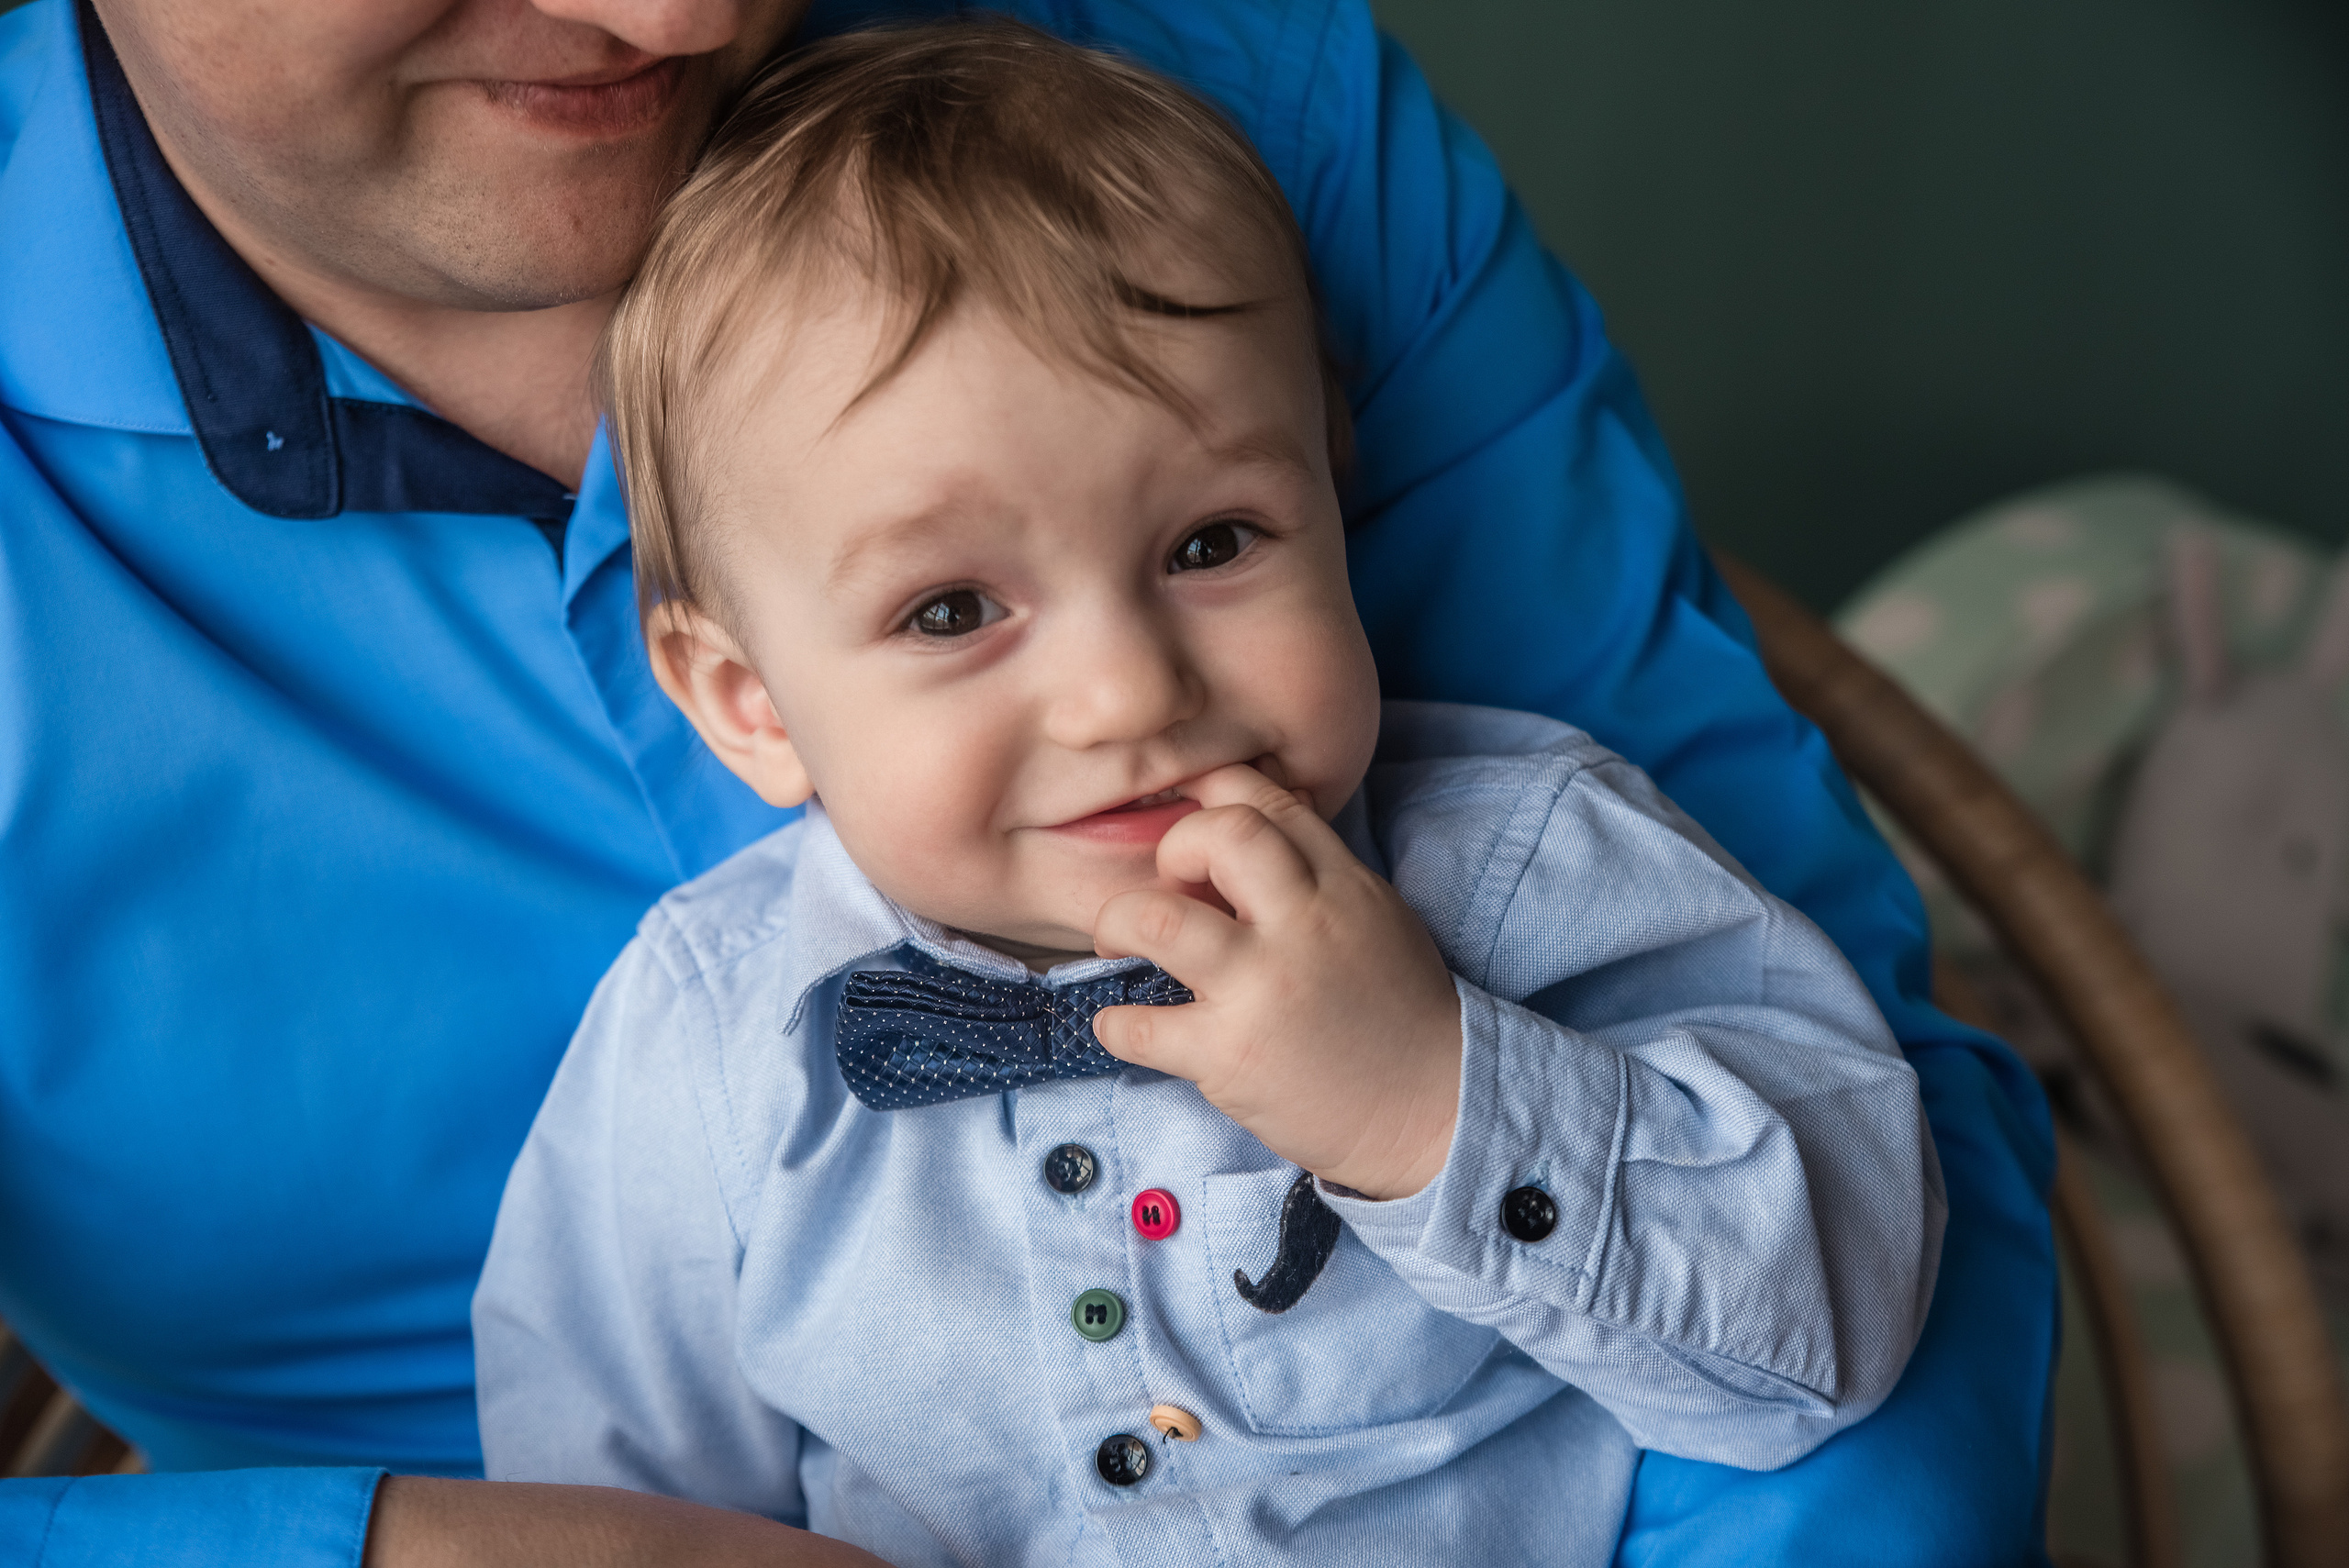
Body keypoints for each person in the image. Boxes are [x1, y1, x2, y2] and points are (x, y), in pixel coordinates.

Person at [0, 0, 2054, 1564]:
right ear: (737, 688)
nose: (685, 16)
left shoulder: (1217, 134)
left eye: (1214, 544)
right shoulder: (698, 1057)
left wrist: (1442, 1099)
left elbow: (1855, 1186)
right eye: (948, 607)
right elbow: (622, 1466)